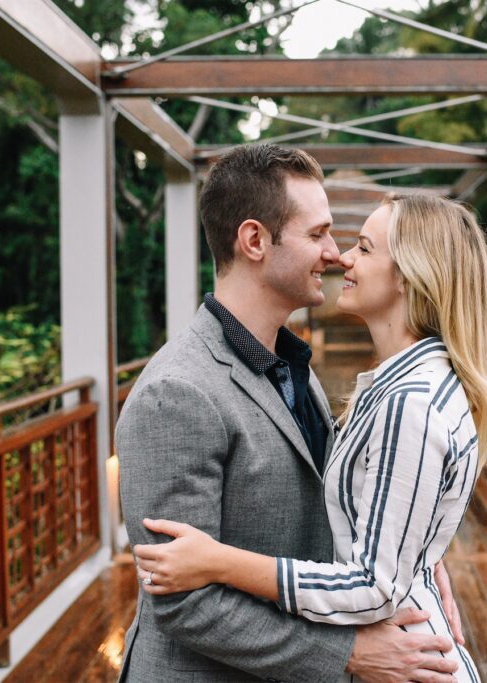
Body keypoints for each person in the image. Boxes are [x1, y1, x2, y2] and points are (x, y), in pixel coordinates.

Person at [116, 145, 464, 682]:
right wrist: (347, 654)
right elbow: (182, 603)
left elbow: (339, 498)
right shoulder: (175, 393)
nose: (336, 253)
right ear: (255, 240)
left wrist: (408, 550)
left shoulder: (291, 364)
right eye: (318, 233)